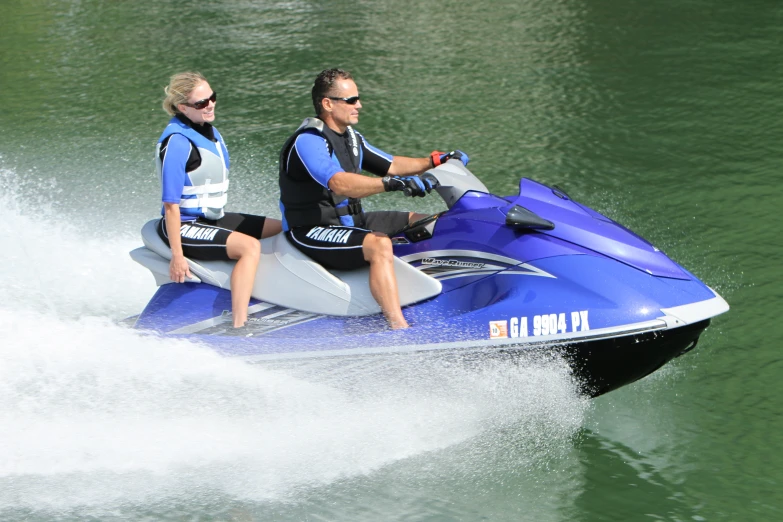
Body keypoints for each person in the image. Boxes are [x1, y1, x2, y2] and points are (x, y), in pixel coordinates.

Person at [278, 68, 469, 329]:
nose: (359, 105)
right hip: (311, 230)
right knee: (378, 244)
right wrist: (391, 185)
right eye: (351, 100)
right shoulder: (309, 141)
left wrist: (436, 161)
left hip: (351, 222)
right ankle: (397, 327)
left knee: (430, 223)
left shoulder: (352, 138)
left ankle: (446, 298)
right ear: (328, 104)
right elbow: (339, 182)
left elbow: (391, 164)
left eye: (358, 98)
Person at [156, 72, 282, 328]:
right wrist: (177, 256)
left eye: (212, 97)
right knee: (250, 247)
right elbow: (171, 205)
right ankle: (240, 324)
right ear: (183, 107)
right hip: (184, 226)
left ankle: (277, 297)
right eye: (201, 103)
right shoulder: (177, 142)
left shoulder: (210, 133)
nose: (210, 105)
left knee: (284, 227)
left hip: (212, 220)